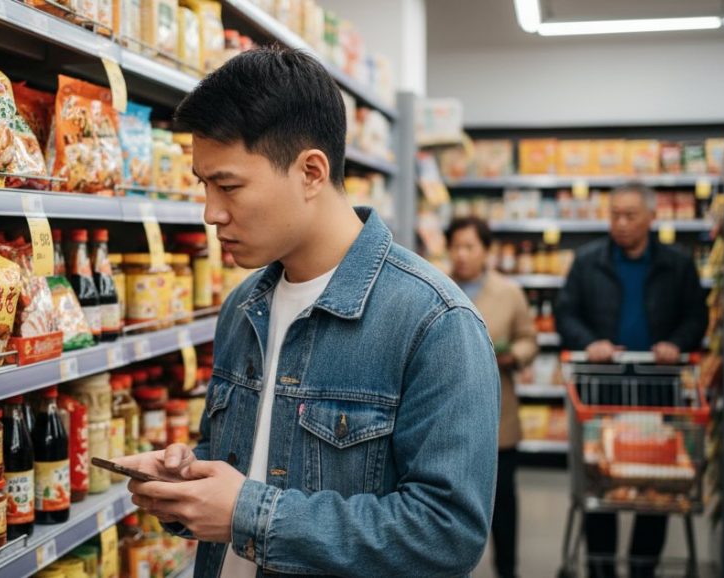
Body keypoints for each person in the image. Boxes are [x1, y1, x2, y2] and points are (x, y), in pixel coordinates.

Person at [113, 46, 500, 578]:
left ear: (311, 172)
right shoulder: (242, 308)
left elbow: (446, 535)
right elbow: (237, 469)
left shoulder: (435, 323)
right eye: (204, 185)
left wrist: (247, 512)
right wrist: (187, 484)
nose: (210, 213)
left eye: (228, 186)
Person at [556, 184, 708, 578]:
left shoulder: (677, 265)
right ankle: (601, 568)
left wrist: (677, 344)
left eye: (630, 216)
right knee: (598, 486)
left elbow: (697, 317)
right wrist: (591, 343)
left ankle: (643, 568)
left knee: (654, 490)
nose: (620, 224)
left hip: (658, 395)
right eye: (614, 216)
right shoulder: (588, 262)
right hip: (601, 395)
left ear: (651, 218)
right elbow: (566, 315)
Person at [447, 216, 538, 578]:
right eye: (456, 246)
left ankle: (507, 569)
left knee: (503, 503)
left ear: (486, 250)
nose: (463, 254)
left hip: (500, 415)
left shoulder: (509, 292)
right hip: (447, 415)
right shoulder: (434, 283)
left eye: (471, 246)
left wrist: (514, 354)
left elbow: (529, 339)